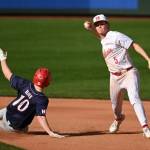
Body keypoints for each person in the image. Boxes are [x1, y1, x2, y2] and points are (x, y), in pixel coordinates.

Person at [83, 14, 150, 138]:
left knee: (134, 98)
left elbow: (134, 45)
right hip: (114, 78)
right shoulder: (103, 39)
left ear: (107, 24)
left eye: (102, 23)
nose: (100, 26)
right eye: (97, 25)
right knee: (115, 108)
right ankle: (118, 119)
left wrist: (148, 59)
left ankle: (145, 127)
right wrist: (90, 28)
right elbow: (100, 36)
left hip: (129, 73)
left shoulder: (115, 35)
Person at [0, 48, 64, 138]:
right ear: (47, 83)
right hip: (14, 127)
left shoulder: (25, 84)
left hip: (6, 112)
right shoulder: (42, 99)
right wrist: (50, 132)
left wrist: (2, 58)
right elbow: (41, 117)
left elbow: (8, 74)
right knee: (24, 130)